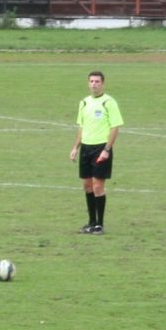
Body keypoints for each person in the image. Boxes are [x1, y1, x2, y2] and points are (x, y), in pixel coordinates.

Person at [69, 70, 124, 234]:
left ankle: (100, 224)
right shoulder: (84, 103)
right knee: (87, 186)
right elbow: (81, 127)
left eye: (97, 82)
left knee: (98, 185)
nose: (94, 84)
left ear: (103, 84)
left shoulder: (109, 102)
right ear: (88, 83)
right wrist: (75, 148)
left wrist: (107, 149)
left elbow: (115, 127)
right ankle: (91, 222)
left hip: (101, 148)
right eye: (91, 81)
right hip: (86, 148)